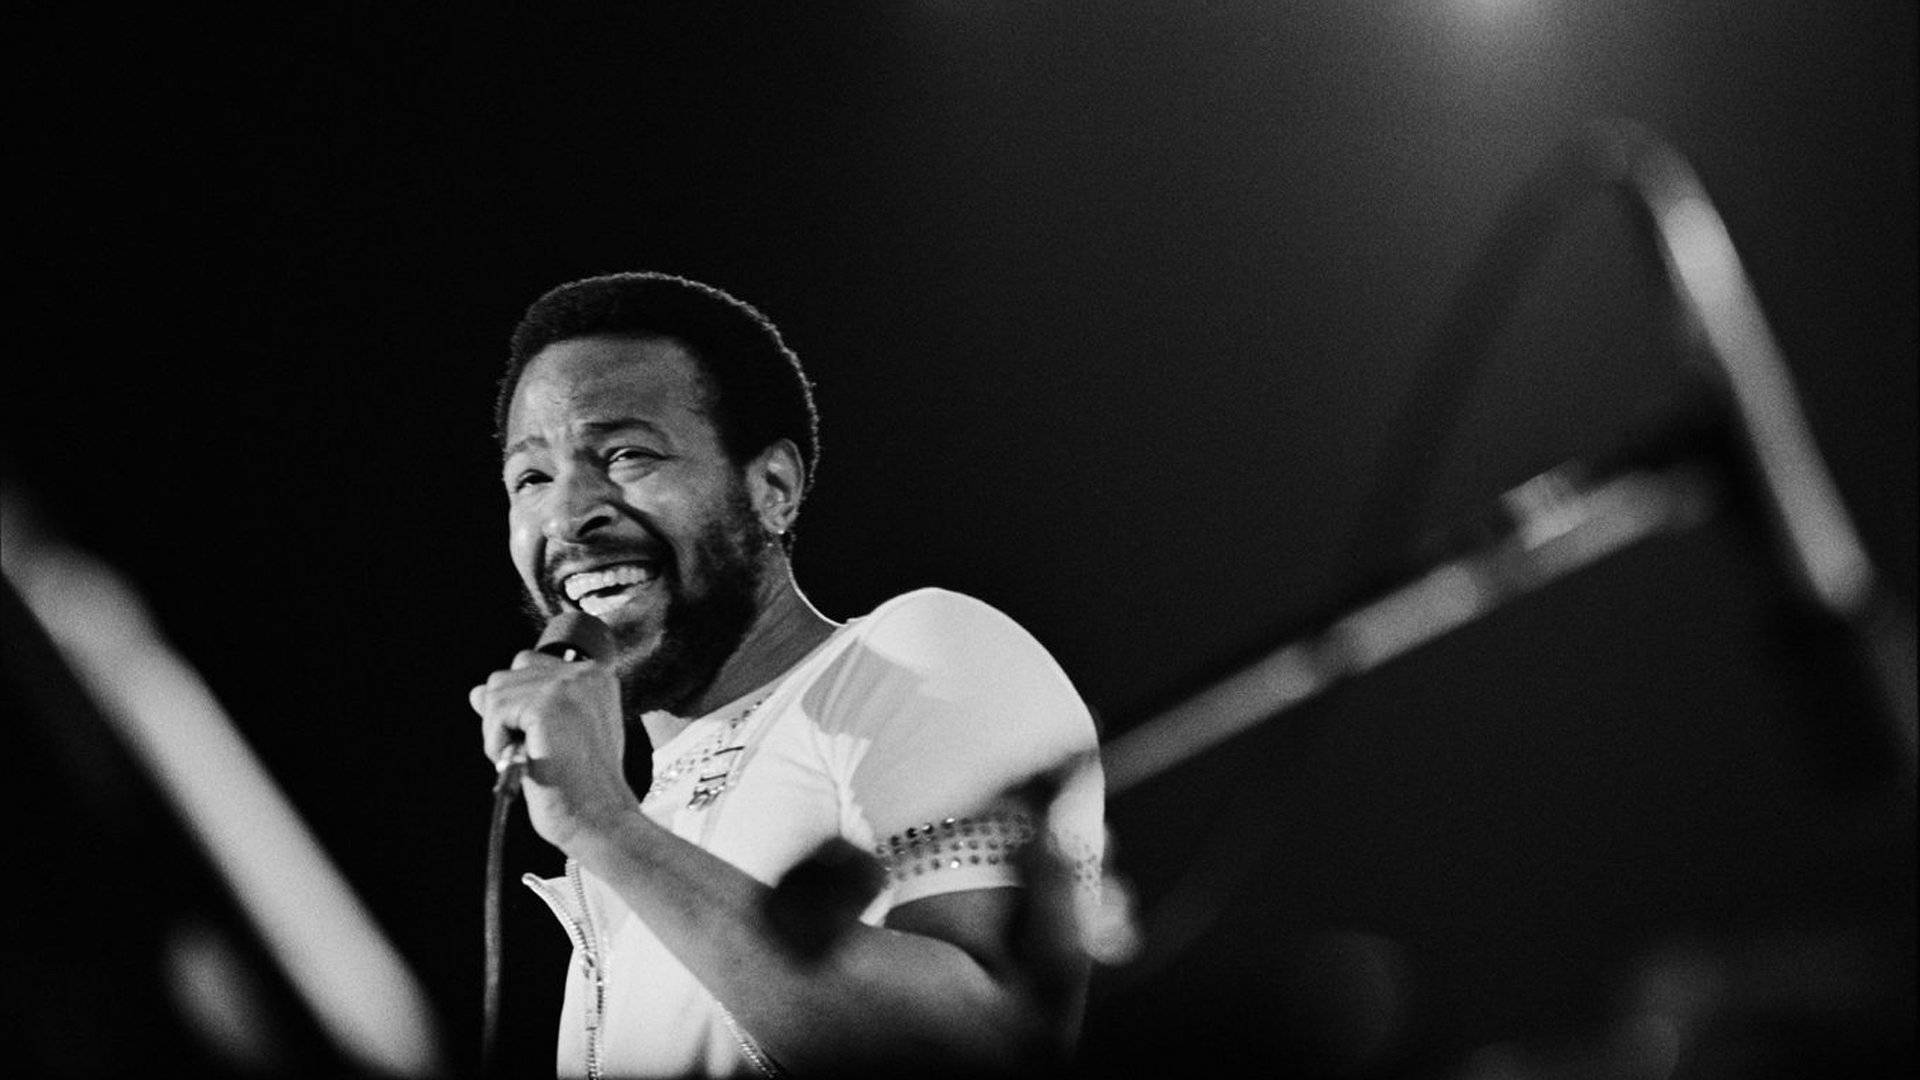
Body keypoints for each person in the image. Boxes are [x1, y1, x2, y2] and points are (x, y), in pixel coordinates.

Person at [470, 272, 1106, 1078]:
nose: (568, 515)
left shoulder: (914, 654)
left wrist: (605, 826)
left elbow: (992, 1049)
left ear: (772, 488)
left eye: (627, 454)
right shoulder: (642, 819)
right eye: (531, 478)